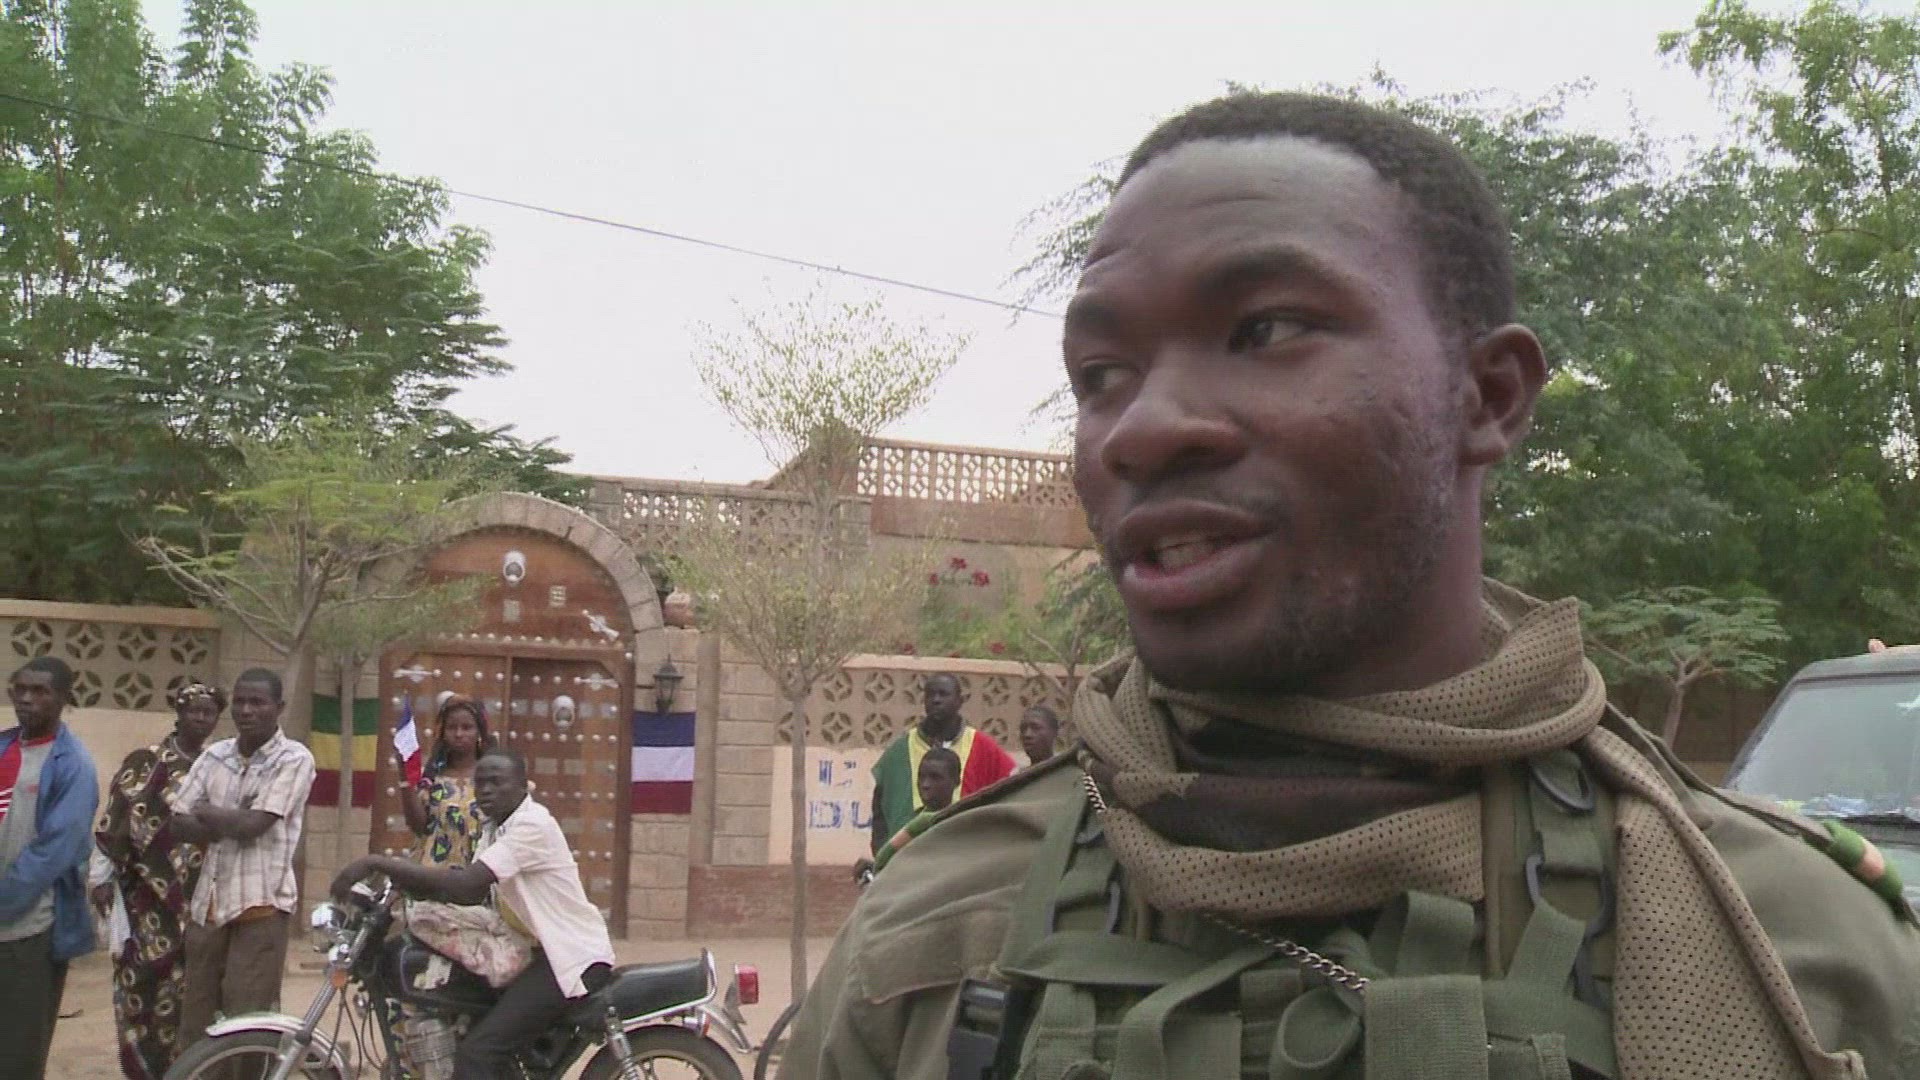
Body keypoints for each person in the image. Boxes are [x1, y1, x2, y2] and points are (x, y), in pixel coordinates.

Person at [781, 92, 1920, 1080]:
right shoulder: (927, 942)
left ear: (1490, 398)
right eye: (1101, 373)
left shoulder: (1802, 956)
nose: (1142, 428)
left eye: (1266, 329)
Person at [331, 747, 616, 1080]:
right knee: (468, 1018)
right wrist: (402, 887)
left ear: (523, 785)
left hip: (569, 958)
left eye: (496, 782)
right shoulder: (495, 828)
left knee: (477, 1055)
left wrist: (378, 863)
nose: (486, 791)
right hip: (538, 952)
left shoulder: (532, 825)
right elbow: (471, 892)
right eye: (480, 784)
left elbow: (466, 886)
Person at [168, 668, 315, 1049]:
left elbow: (254, 825)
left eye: (257, 702)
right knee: (195, 1023)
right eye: (240, 702)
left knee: (247, 1022)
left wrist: (208, 812)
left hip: (260, 907)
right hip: (208, 907)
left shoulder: (294, 759)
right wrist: (230, 819)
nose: (246, 710)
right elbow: (177, 823)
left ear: (279, 707)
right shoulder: (215, 755)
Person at [93, 680, 221, 1078]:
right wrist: (101, 879)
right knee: (140, 982)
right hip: (143, 898)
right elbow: (114, 819)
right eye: (193, 710)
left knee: (191, 992)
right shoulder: (144, 762)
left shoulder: (219, 766)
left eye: (209, 712)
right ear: (179, 713)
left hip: (199, 899)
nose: (201, 718)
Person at [0, 657, 99, 1080]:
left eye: (40, 691)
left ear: (63, 698)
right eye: (20, 689)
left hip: (28, 932)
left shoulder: (72, 764)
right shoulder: (4, 747)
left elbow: (56, 850)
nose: (27, 699)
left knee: (16, 1055)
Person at [867, 674, 1015, 854]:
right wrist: (881, 852)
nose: (936, 700)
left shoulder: (983, 747)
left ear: (959, 701)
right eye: (930, 694)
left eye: (943, 694)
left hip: (964, 852)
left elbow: (1010, 794)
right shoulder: (900, 750)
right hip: (906, 854)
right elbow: (880, 807)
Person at [395, 694, 493, 869]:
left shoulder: (492, 777)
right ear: (443, 733)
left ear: (479, 732)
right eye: (452, 728)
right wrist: (405, 776)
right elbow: (418, 826)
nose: (459, 734)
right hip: (433, 875)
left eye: (467, 727)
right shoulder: (432, 778)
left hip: (478, 875)